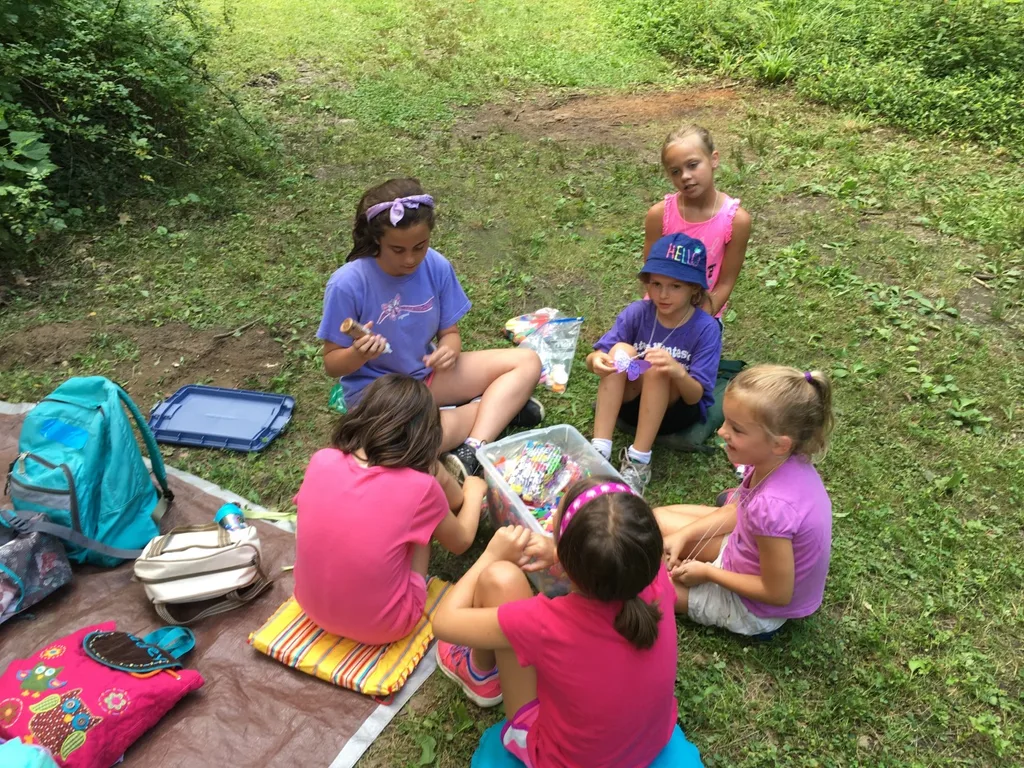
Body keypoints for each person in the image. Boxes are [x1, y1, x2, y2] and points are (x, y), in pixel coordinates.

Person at [432, 478, 680, 768]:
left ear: (565, 559)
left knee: (499, 580)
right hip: (649, 741)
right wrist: (559, 553)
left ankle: (479, 673)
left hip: (559, 759)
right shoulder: (653, 575)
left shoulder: (546, 623)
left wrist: (491, 555)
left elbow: (444, 622)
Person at [318, 177, 543, 478]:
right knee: (397, 448)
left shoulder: (436, 266)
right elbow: (332, 364)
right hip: (380, 395)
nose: (410, 259)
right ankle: (500, 409)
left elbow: (449, 334)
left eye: (419, 247)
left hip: (428, 375)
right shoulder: (348, 283)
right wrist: (359, 354)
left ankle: (472, 449)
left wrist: (449, 352)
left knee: (527, 361)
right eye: (397, 250)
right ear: (376, 241)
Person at [292, 374, 488, 645]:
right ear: (428, 436)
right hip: (385, 626)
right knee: (423, 524)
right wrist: (474, 491)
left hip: (310, 606)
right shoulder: (420, 488)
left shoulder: (322, 460)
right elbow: (461, 540)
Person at [657, 364, 834, 637]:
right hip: (744, 549)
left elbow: (777, 593)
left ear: (780, 443)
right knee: (657, 524)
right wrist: (683, 535)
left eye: (736, 429)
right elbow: (740, 511)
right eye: (725, 421)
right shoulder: (776, 461)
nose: (721, 432)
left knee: (646, 589)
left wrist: (707, 573)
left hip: (753, 607)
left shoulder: (773, 508)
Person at [587, 233, 722, 495]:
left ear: (695, 288)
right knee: (621, 350)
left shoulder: (706, 328)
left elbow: (696, 397)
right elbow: (595, 356)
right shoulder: (638, 312)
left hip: (674, 413)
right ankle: (599, 449)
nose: (663, 294)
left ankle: (639, 461)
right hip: (630, 405)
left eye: (675, 286)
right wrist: (597, 361)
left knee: (658, 365)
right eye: (656, 284)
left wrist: (677, 371)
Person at [644, 125, 752, 320]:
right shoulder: (658, 216)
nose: (685, 176)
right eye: (675, 171)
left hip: (703, 316)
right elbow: (651, 276)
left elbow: (725, 282)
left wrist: (695, 323)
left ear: (713, 159)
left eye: (692, 165)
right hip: (659, 311)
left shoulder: (736, 221)